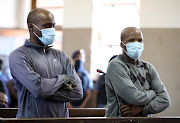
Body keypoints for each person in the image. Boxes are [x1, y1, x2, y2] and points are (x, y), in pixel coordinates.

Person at [9, 8, 83, 118]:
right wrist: (63, 79)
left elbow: (77, 92)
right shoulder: (19, 56)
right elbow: (38, 88)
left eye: (53, 25)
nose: (52, 30)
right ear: (31, 27)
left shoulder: (61, 56)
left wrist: (43, 92)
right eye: (47, 26)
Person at [105, 27, 171, 117]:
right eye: (131, 40)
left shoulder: (148, 67)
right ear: (122, 45)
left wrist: (142, 109)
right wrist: (153, 93)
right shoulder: (116, 66)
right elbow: (135, 98)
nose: (136, 44)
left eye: (140, 40)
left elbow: (165, 100)